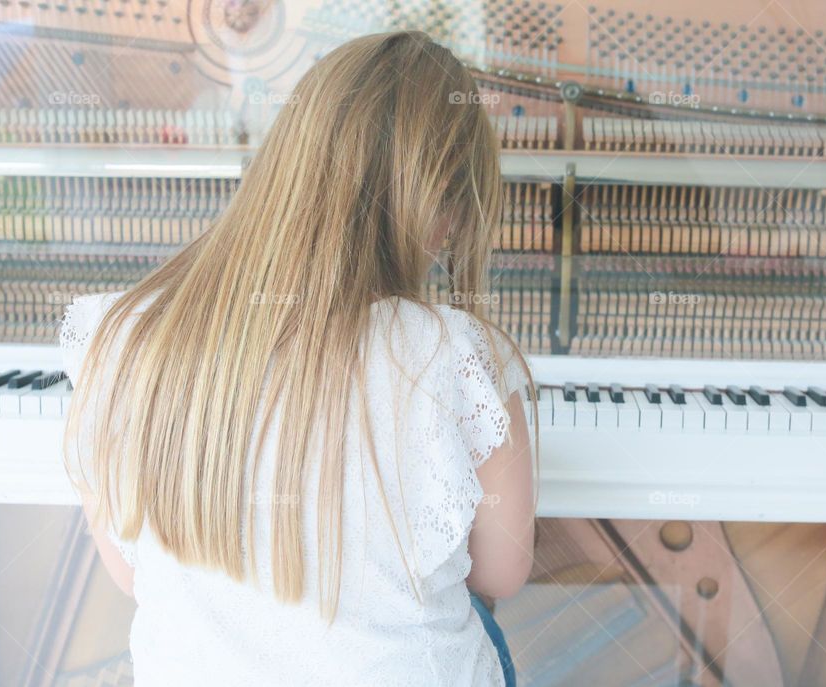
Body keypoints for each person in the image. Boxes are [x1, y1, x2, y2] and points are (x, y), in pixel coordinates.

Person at [59, 30, 537, 687]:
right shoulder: (451, 350)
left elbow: (131, 571)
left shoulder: (124, 336)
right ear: (443, 205)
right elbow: (501, 571)